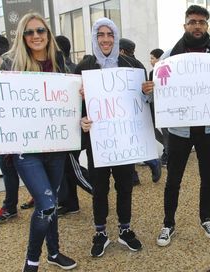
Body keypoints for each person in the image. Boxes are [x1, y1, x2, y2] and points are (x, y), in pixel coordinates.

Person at [0, 13, 77, 271]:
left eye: (41, 31)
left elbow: (71, 103)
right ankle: (31, 262)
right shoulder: (10, 62)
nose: (36, 36)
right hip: (26, 150)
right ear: (23, 36)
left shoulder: (60, 62)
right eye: (30, 32)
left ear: (48, 34)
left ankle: (53, 253)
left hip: (55, 147)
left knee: (52, 201)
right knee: (45, 205)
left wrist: (81, 108)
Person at [149, 5, 210, 247]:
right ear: (185, 26)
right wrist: (151, 89)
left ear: (207, 26)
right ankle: (168, 223)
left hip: (209, 127)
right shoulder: (170, 54)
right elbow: (156, 82)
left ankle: (206, 218)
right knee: (174, 178)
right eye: (192, 21)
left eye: (201, 22)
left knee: (208, 177)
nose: (197, 26)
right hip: (179, 129)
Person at [77, 17, 143, 257]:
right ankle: (101, 232)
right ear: (95, 38)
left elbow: (141, 102)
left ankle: (125, 229)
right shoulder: (84, 66)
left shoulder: (132, 65)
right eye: (100, 35)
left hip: (125, 140)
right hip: (99, 141)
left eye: (110, 34)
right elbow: (74, 106)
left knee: (125, 186)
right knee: (100, 188)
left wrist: (146, 93)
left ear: (115, 37)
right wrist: (81, 117)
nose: (105, 39)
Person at [0, 33, 35, 223]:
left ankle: (10, 206)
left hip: (14, 130)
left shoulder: (5, 68)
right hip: (5, 130)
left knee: (12, 168)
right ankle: (22, 199)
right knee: (14, 168)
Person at [54, 35, 93, 217]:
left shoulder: (67, 71)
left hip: (71, 130)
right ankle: (71, 203)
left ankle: (97, 191)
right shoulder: (70, 69)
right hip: (69, 129)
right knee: (67, 168)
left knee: (72, 166)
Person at [119, 38, 162, 185]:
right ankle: (134, 176)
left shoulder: (127, 65)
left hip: (129, 111)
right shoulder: (139, 65)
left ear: (122, 51)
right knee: (129, 143)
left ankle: (152, 162)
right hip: (137, 111)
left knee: (130, 143)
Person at [149, 48, 170, 166]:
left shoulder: (166, 70)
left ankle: (168, 152)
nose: (150, 61)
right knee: (156, 130)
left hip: (165, 106)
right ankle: (168, 148)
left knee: (166, 131)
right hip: (155, 106)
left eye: (152, 58)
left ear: (159, 58)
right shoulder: (152, 73)